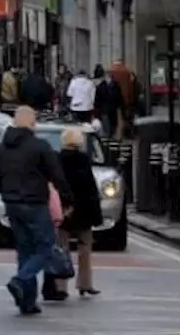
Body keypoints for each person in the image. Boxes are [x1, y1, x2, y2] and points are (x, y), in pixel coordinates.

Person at [0, 106, 72, 315]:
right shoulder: (40, 147)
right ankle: (21, 280)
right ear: (31, 123)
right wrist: (67, 200)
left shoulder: (2, 148)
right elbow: (57, 175)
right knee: (45, 247)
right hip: (35, 203)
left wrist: (5, 194)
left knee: (25, 250)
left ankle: (27, 301)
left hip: (12, 203)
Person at [49, 127, 101, 300]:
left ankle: (61, 285)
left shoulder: (57, 159)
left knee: (61, 248)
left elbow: (54, 185)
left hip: (64, 209)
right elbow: (90, 188)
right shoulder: (83, 160)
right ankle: (85, 284)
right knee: (85, 247)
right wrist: (95, 213)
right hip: (83, 210)